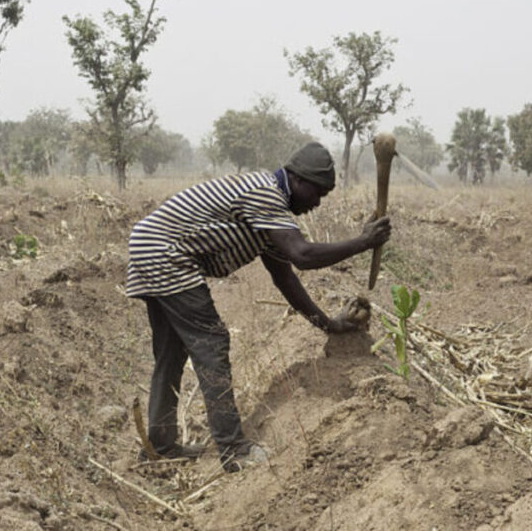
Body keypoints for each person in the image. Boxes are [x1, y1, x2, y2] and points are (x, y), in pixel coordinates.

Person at [126, 142, 391, 472]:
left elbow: (286, 278)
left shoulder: (272, 213)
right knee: (212, 343)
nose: (317, 202)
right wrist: (363, 242)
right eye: (317, 192)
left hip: (151, 246)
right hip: (164, 252)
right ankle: (234, 450)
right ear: (298, 180)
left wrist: (329, 325)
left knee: (172, 351)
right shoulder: (266, 193)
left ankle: (161, 447)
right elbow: (303, 255)